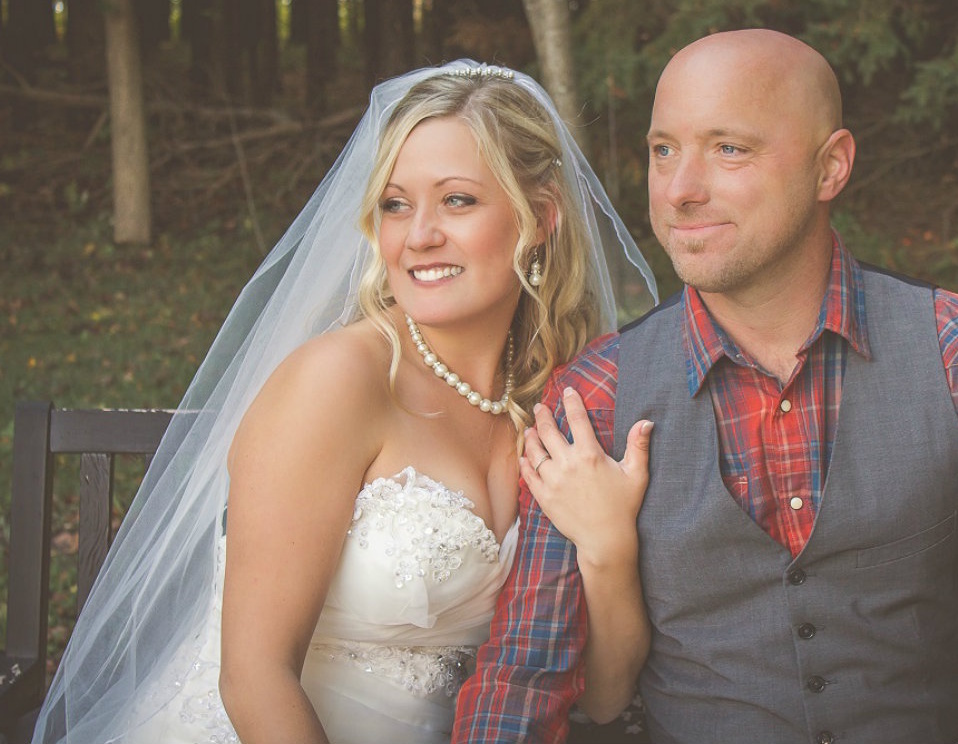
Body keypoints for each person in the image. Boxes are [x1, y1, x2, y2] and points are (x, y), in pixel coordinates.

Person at [29, 61, 657, 744]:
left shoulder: (554, 400)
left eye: (456, 200)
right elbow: (253, 676)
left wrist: (608, 545)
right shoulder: (336, 383)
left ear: (540, 218)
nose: (417, 235)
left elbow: (601, 697)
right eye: (395, 204)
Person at [454, 28, 958, 744]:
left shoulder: (946, 352)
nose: (682, 190)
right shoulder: (595, 394)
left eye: (729, 149)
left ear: (830, 167)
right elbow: (524, 675)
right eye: (664, 151)